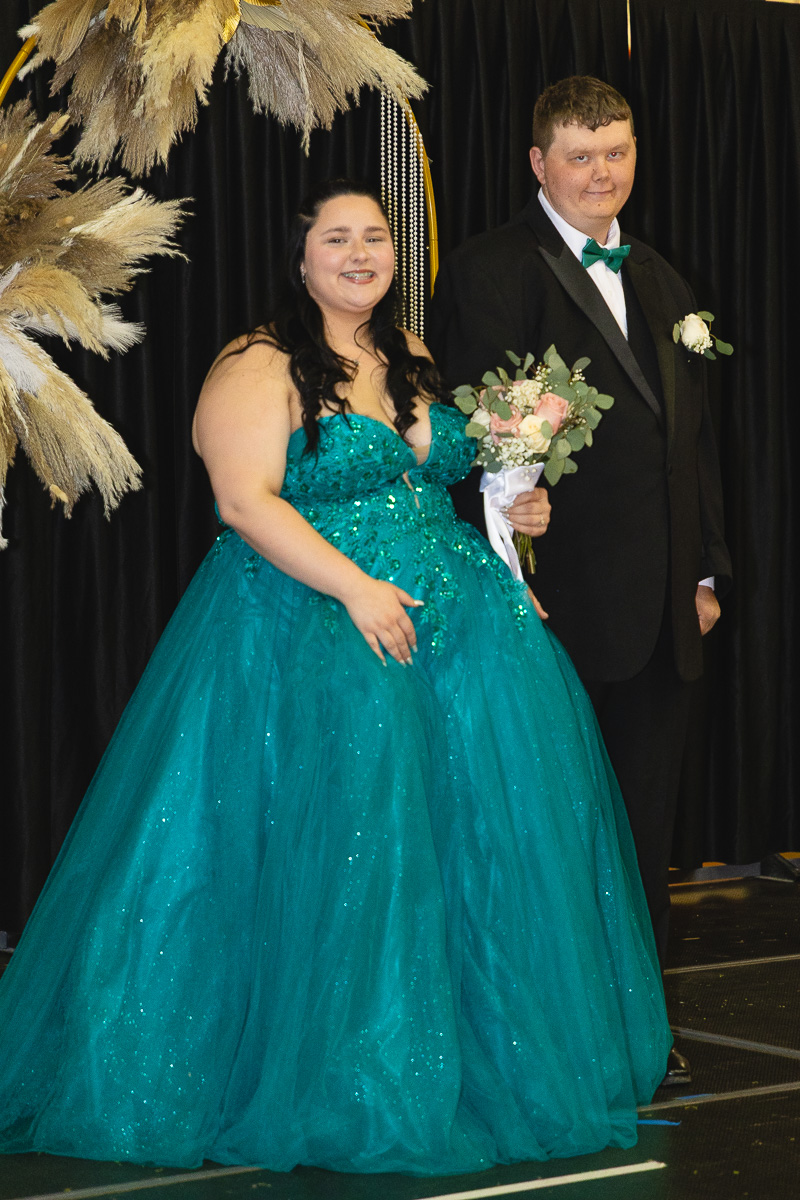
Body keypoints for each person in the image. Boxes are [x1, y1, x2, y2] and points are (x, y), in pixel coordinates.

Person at [0, 179, 671, 1174]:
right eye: (337, 239)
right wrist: (355, 588)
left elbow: (433, 479)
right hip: (313, 633)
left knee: (461, 853)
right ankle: (343, 1074)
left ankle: (456, 1062)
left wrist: (513, 510)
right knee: (350, 851)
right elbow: (244, 501)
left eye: (375, 238)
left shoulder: (410, 354)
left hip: (456, 637)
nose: (361, 254)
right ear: (300, 256)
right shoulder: (257, 362)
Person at [428, 77, 732, 1084]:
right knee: (543, 829)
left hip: (662, 609)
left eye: (617, 152)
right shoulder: (490, 269)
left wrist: (704, 569)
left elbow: (690, 441)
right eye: (580, 156)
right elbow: (468, 436)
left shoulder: (662, 276)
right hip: (546, 606)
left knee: (641, 834)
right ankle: (542, 1040)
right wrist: (506, 555)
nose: (603, 173)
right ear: (537, 163)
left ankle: (639, 1038)